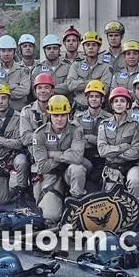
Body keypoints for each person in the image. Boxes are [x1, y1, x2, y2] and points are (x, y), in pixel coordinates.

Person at [32, 95, 86, 224]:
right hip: (50, 175)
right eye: (55, 115)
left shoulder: (76, 129)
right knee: (51, 216)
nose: (59, 119)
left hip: (69, 171)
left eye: (63, 115)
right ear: (49, 115)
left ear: (68, 114)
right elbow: (42, 166)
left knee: (78, 169)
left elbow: (77, 158)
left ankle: (76, 205)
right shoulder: (39, 134)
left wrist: (53, 154)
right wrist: (66, 155)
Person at [98, 87, 139, 200]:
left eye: (122, 101)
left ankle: (136, 214)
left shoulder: (136, 125)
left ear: (128, 104)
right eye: (116, 101)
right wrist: (123, 147)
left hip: (132, 165)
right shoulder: (104, 124)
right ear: (112, 105)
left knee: (134, 182)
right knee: (110, 196)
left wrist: (112, 152)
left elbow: (136, 152)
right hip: (112, 167)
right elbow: (102, 150)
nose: (119, 104)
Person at [18, 72, 57, 206]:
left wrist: (38, 137)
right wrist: (48, 139)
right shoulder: (27, 111)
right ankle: (24, 192)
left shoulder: (60, 108)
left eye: (47, 87)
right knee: (38, 198)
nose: (43, 91)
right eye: (39, 88)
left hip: (56, 157)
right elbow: (25, 138)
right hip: (36, 157)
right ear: (35, 91)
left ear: (52, 90)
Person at [74, 80, 113, 190]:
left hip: (103, 160)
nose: (94, 99)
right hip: (84, 157)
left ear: (102, 99)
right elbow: (76, 140)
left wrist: (89, 138)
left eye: (97, 96)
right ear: (87, 98)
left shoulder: (109, 119)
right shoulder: (78, 118)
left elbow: (111, 142)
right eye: (91, 96)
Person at [66, 31, 113, 110]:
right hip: (79, 109)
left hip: (99, 110)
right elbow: (71, 85)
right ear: (83, 47)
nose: (91, 47)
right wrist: (96, 82)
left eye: (94, 45)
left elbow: (105, 88)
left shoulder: (106, 67)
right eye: (88, 45)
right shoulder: (76, 65)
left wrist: (80, 82)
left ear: (99, 47)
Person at [0, 35, 31, 111]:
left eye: (9, 50)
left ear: (14, 52)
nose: (6, 54)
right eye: (3, 50)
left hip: (19, 111)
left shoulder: (23, 70)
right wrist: (14, 86)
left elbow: (25, 90)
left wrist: (2, 91)